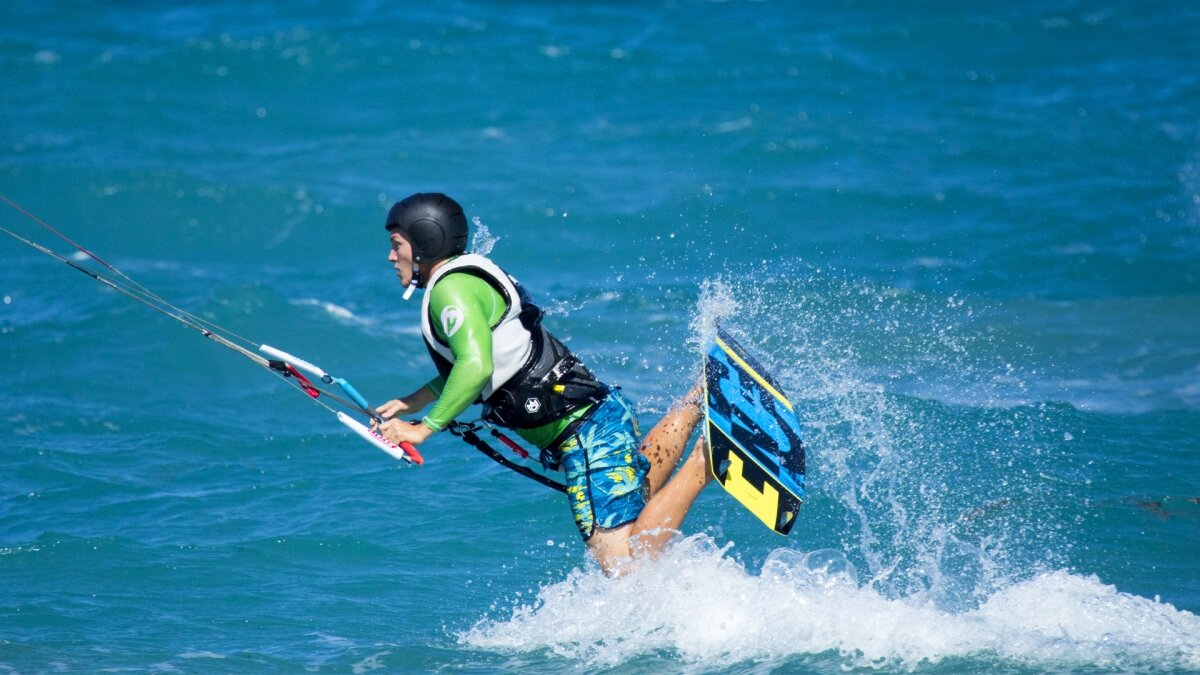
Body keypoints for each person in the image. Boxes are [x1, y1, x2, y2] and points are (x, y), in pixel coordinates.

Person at [373, 192, 713, 574]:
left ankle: (708, 461)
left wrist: (425, 427)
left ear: (425, 242)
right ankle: (701, 395)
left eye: (396, 245)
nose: (391, 257)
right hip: (600, 415)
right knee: (635, 490)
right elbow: (494, 361)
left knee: (623, 566)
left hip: (580, 434)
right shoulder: (465, 281)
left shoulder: (450, 292)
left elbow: (475, 366)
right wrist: (413, 401)